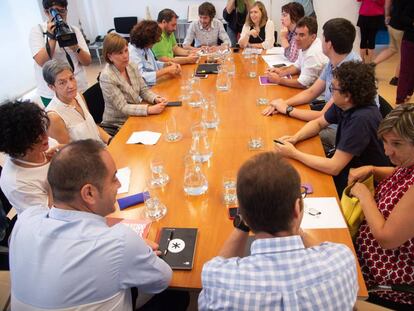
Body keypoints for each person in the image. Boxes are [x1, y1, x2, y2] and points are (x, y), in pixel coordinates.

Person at [9, 140, 176, 310]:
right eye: (114, 179)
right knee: (176, 297)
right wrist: (140, 248)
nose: (118, 185)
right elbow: (162, 280)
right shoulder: (120, 241)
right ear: (89, 193)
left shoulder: (24, 221)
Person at [198, 152, 358, 310]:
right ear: (297, 208)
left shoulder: (217, 279)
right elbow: (323, 252)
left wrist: (243, 223)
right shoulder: (342, 260)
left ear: (244, 215)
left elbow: (218, 269)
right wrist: (295, 227)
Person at [274, 61, 389, 195]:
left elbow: (334, 167)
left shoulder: (361, 119)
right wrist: (295, 138)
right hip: (347, 167)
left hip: (364, 183)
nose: (330, 92)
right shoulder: (346, 103)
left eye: (333, 88)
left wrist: (294, 154)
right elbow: (318, 123)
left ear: (347, 96)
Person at [349, 104, 414, 309]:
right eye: (385, 141)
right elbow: (401, 175)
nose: (387, 151)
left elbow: (387, 238)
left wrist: (364, 195)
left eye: (396, 143)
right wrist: (374, 169)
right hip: (366, 258)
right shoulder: (408, 163)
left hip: (386, 281)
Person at [262, 18, 361, 153]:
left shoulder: (349, 73)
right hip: (331, 122)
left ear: (329, 44)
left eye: (323, 37)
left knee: (283, 137)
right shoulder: (336, 61)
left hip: (340, 131)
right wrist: (281, 104)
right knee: (287, 129)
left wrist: (287, 109)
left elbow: (323, 116)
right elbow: (312, 92)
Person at [99, 33, 167, 135]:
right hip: (117, 125)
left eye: (126, 50)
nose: (125, 56)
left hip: (134, 116)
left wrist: (155, 98)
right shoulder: (107, 76)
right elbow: (123, 107)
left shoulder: (131, 65)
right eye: (120, 53)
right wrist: (149, 109)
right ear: (110, 56)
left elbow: (143, 90)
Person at [29, 0, 91, 106]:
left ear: (66, 10)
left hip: (78, 88)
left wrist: (75, 47)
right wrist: (52, 37)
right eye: (55, 11)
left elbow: (87, 61)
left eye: (62, 11)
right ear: (46, 12)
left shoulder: (74, 30)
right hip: (52, 94)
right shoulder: (38, 31)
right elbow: (41, 61)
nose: (59, 16)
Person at [0, 100, 58, 214]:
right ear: (19, 144)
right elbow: (51, 217)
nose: (45, 136)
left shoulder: (46, 144)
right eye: (35, 136)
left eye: (42, 128)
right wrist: (56, 170)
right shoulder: (16, 182)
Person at [43, 59, 111, 144]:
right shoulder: (54, 117)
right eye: (62, 83)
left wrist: (111, 140)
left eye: (71, 78)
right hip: (86, 156)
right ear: (52, 87)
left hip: (101, 147)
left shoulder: (78, 96)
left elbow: (92, 125)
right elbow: (67, 153)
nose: (71, 85)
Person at [266, 16, 328, 88]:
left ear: (313, 37)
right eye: (296, 34)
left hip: (318, 97)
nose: (297, 38)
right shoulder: (306, 44)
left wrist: (278, 80)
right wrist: (281, 71)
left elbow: (302, 83)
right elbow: (297, 66)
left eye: (302, 35)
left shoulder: (313, 54)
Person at [129, 20, 181, 87]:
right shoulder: (132, 53)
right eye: (153, 42)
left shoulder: (145, 48)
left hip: (155, 84)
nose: (153, 45)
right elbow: (141, 77)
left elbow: (152, 64)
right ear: (146, 39)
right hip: (144, 90)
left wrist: (165, 65)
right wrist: (166, 71)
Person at [374, 0, 408, 86]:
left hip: (393, 23)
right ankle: (396, 78)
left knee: (392, 49)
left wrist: (387, 16)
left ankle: (371, 65)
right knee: (403, 54)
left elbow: (387, 3)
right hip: (402, 27)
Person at [396, 1, 414, 105]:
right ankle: (400, 99)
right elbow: (402, 17)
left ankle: (408, 93)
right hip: (410, 39)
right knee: (406, 70)